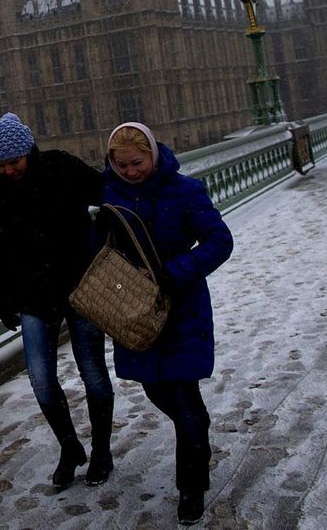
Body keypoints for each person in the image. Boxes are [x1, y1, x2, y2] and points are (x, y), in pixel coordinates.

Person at [101, 122, 233, 525]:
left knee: (183, 394)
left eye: (136, 163)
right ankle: (196, 433)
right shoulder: (109, 195)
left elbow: (220, 241)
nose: (130, 172)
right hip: (135, 309)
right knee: (157, 390)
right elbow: (99, 245)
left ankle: (191, 487)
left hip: (181, 308)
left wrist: (176, 272)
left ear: (154, 156)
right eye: (120, 165)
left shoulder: (186, 191)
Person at [0, 113, 116, 488]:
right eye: (0, 165)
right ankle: (70, 448)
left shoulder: (61, 167)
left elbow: (108, 196)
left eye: (14, 162)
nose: (8, 171)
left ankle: (102, 452)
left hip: (79, 288)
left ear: (29, 151)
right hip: (32, 296)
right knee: (41, 381)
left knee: (93, 375)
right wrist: (1, 296)